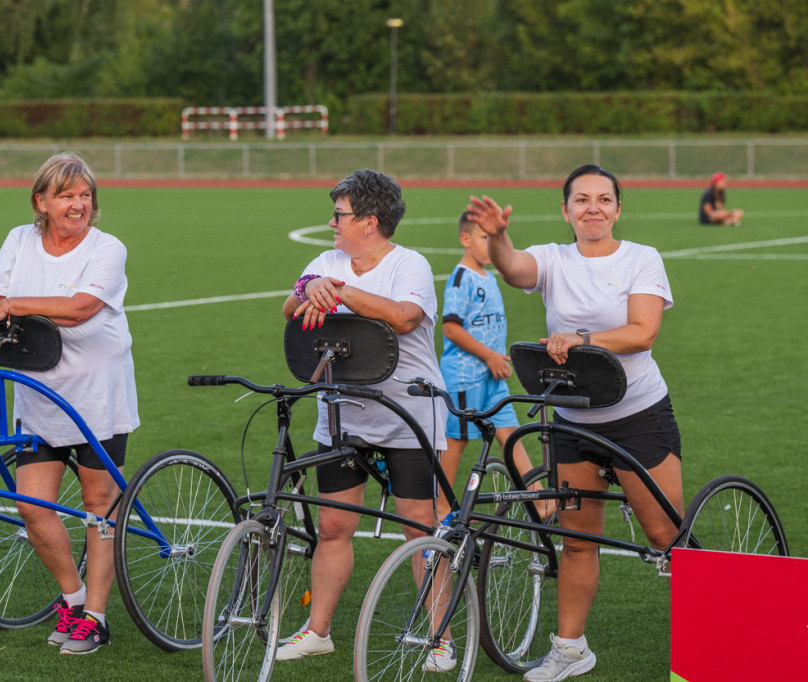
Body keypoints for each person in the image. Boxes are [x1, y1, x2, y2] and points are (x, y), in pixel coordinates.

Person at [466, 164, 684, 681]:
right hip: (572, 418)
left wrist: (581, 340)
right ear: (566, 210)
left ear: (617, 208)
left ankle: (721, 632)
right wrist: (498, 238)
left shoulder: (641, 258)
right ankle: (570, 648)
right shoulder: (552, 258)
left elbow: (643, 332)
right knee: (578, 540)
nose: (593, 208)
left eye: (604, 199)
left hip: (638, 415)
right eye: (581, 199)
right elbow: (515, 269)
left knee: (666, 538)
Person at [278, 169, 453, 672]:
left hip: (409, 415)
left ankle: (440, 637)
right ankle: (318, 632)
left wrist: (341, 292)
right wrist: (308, 292)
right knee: (333, 524)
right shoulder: (326, 261)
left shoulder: (409, 264)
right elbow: (290, 306)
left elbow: (403, 318)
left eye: (340, 214)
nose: (332, 222)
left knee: (419, 526)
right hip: (344, 413)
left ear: (370, 221)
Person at [0, 152, 139, 655]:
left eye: (85, 195)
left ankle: (97, 619)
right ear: (41, 201)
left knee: (97, 508)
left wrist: (11, 303)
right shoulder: (20, 240)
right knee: (32, 506)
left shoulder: (108, 249)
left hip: (96, 393)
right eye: (66, 195)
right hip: (38, 394)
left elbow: (80, 309)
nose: (78, 204)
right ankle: (74, 596)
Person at [438, 212, 545, 521]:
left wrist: (495, 360)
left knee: (509, 434)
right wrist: (489, 355)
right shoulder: (461, 279)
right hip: (465, 377)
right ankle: (440, 506)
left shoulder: (489, 275)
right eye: (484, 238)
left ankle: (539, 501)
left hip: (491, 375)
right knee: (456, 440)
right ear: (465, 239)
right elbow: (452, 329)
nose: (490, 245)